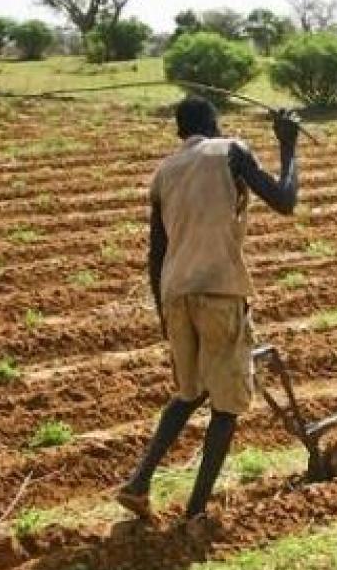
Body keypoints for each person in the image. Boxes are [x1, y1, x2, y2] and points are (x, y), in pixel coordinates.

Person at [116, 96, 300, 523]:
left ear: (181, 132)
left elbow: (155, 253)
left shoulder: (164, 173)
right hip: (220, 290)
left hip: (175, 294)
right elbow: (285, 200)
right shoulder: (231, 150)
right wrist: (288, 146)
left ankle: (139, 482)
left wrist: (165, 314)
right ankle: (196, 511)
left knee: (189, 390)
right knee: (227, 404)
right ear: (214, 124)